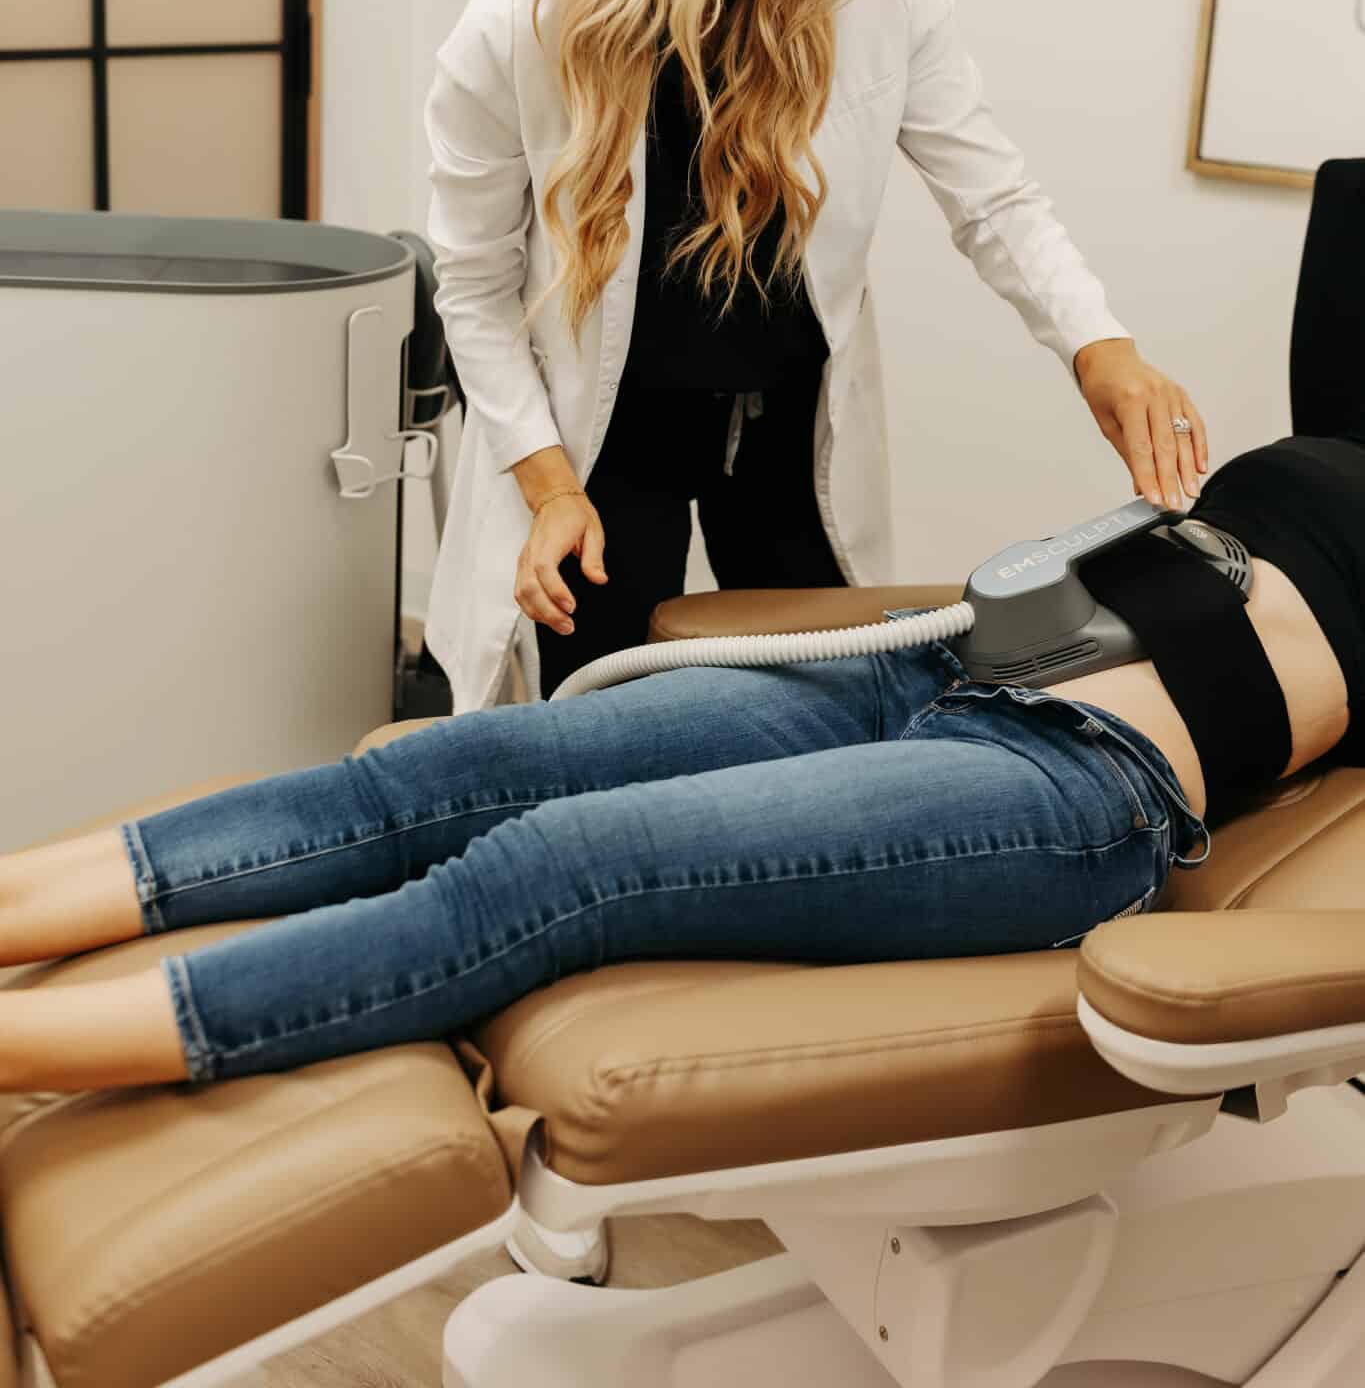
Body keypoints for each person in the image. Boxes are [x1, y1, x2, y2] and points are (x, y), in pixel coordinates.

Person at [0, 418, 1358, 1093]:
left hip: (1069, 778)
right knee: (433, 772)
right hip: (921, 659)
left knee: (545, 871)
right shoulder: (1321, 439)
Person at [421, 0, 1207, 708]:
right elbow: (468, 287)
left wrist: (1100, 349)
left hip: (785, 426)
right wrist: (547, 481)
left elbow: (995, 201)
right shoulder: (522, 20)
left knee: (822, 716)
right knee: (592, 727)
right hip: (602, 445)